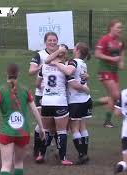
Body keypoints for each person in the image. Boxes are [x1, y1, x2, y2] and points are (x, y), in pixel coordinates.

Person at [0, 64, 44, 175]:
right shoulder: (25, 90)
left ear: (6, 73)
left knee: (6, 165)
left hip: (7, 132)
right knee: (19, 163)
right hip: (23, 133)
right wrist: (42, 127)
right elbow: (34, 110)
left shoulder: (0, 90)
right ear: (18, 74)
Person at [51, 42, 91, 165]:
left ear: (78, 50)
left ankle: (81, 154)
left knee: (74, 128)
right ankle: (84, 152)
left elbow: (69, 73)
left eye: (75, 47)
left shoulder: (73, 62)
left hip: (75, 100)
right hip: (86, 99)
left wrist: (56, 63)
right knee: (83, 127)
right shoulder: (84, 64)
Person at [36, 44, 73, 165]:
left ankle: (41, 154)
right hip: (60, 102)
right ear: (65, 54)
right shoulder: (67, 65)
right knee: (61, 131)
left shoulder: (45, 65)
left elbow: (38, 84)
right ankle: (63, 158)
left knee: (47, 131)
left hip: (46, 102)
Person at [28, 32, 59, 161]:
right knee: (43, 123)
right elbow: (31, 71)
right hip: (42, 95)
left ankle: (58, 150)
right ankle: (37, 149)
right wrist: (42, 65)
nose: (52, 42)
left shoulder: (60, 54)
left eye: (54, 40)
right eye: (50, 40)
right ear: (45, 42)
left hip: (57, 95)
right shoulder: (39, 55)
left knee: (55, 123)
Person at [95, 19, 125, 128]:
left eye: (121, 27)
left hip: (114, 71)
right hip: (104, 70)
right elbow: (97, 54)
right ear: (111, 27)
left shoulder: (120, 41)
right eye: (118, 27)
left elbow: (121, 53)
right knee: (116, 95)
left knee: (113, 97)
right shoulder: (105, 39)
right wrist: (111, 59)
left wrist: (121, 62)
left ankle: (106, 120)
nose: (120, 30)